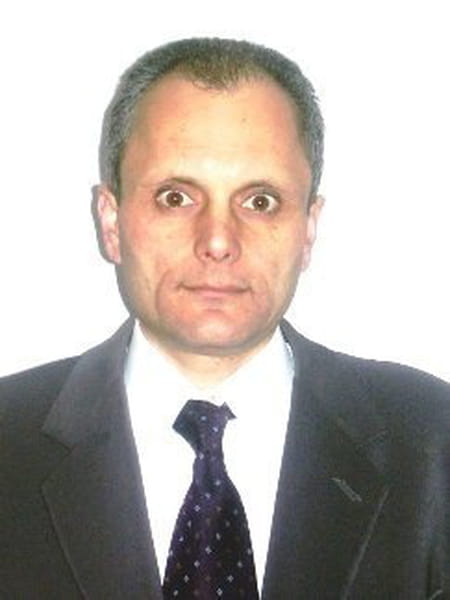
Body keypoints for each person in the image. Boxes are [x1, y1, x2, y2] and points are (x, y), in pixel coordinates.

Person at [1, 37, 449, 599]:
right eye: (175, 197)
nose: (217, 241)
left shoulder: (432, 441)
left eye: (260, 201)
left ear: (308, 228)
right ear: (112, 222)